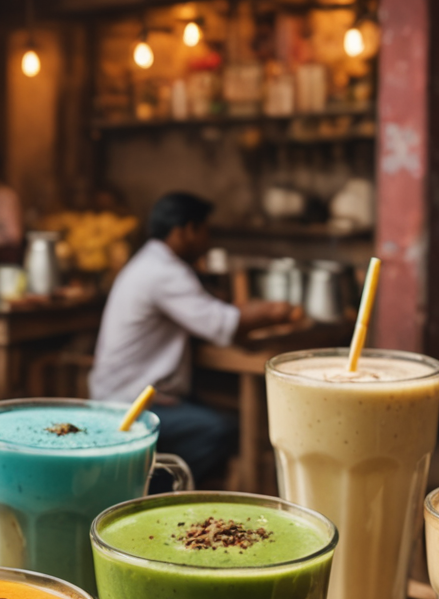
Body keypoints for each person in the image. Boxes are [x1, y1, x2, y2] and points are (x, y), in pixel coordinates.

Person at [89, 192, 297, 484]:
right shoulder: (165, 271)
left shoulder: (147, 261)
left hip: (127, 392)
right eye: (205, 231)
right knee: (222, 431)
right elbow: (225, 323)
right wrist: (279, 311)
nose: (207, 241)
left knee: (217, 416)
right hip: (129, 403)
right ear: (186, 230)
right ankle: (152, 490)